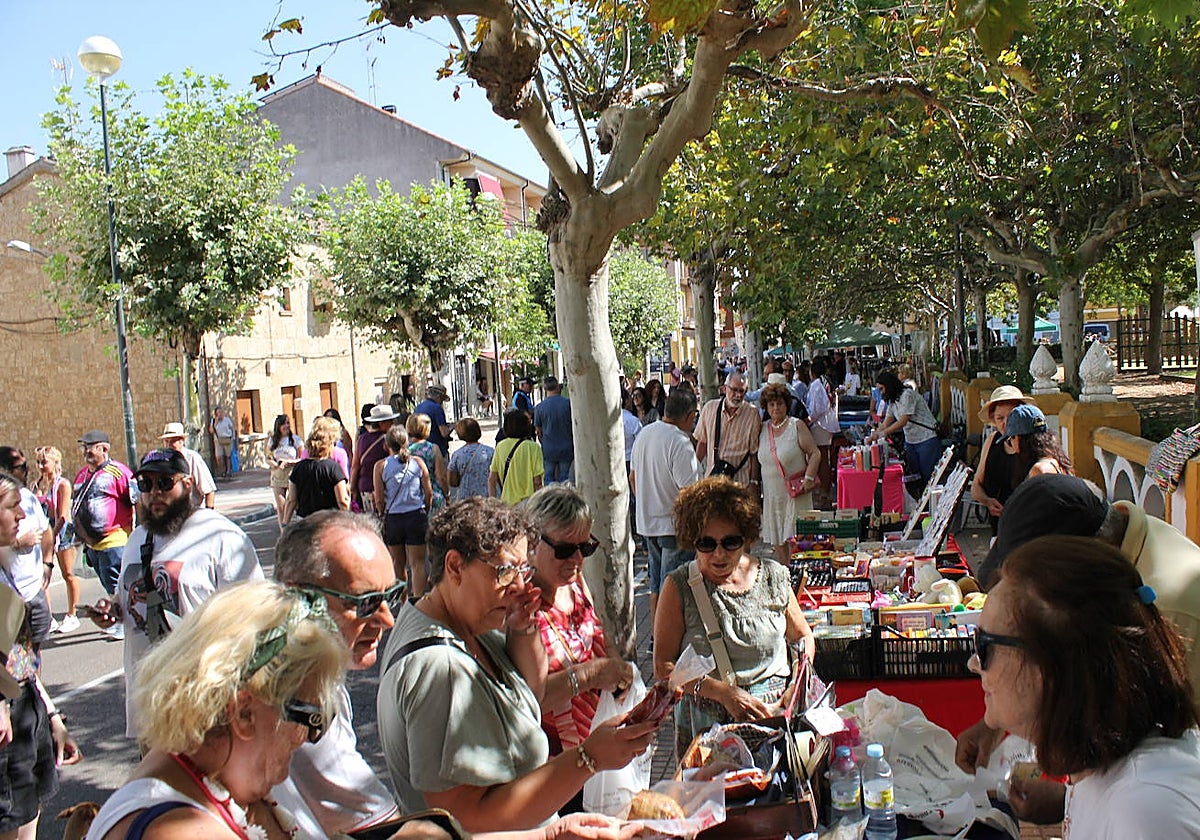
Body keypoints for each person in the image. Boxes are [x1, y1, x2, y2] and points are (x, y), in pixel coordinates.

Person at [376, 498, 659, 833]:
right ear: (454, 567)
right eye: (506, 571)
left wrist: (523, 626)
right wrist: (589, 758)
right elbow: (464, 818)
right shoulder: (443, 668)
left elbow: (529, 691)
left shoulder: (454, 623)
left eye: (524, 571)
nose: (522, 587)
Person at [963, 535, 1200, 837]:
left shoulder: (1144, 811)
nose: (973, 663)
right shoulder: (1107, 768)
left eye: (984, 646)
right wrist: (1065, 804)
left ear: (1050, 668)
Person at [86, 581, 346, 840]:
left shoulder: (192, 766)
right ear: (244, 713)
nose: (308, 738)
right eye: (310, 718)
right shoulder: (179, 829)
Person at [86, 448, 262, 734]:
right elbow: (125, 595)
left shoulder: (222, 537)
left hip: (206, 710)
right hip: (151, 708)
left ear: (188, 485)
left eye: (165, 483)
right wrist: (113, 609)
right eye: (145, 485)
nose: (154, 492)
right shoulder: (138, 539)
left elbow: (255, 618)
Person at [654, 477, 815, 756]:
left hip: (774, 720)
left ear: (747, 539)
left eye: (730, 542)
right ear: (693, 540)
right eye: (706, 543)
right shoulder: (678, 587)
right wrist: (722, 693)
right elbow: (663, 667)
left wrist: (797, 687)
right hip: (708, 732)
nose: (719, 553)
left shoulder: (774, 576)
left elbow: (803, 636)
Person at [271, 511, 403, 837]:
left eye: (392, 595)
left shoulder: (297, 664)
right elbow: (381, 829)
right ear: (298, 596)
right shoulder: (300, 690)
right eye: (366, 602)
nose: (388, 621)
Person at [523, 487, 636, 773]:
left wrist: (617, 669)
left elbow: (597, 630)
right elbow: (527, 699)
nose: (576, 559)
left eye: (585, 548)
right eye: (564, 550)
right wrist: (591, 676)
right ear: (532, 543)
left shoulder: (573, 581)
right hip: (554, 766)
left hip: (598, 750)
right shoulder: (520, 607)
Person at [0, 471, 82, 839]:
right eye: (11, 507)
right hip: (6, 726)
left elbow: (19, 657)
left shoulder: (5, 573)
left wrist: (51, 715)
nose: (22, 515)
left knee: (28, 812)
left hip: (25, 711)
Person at [630, 389, 703, 625]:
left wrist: (645, 501)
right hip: (673, 527)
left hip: (648, 523)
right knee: (672, 587)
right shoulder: (679, 442)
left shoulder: (645, 433)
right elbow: (690, 492)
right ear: (690, 415)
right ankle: (666, 639)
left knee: (656, 584)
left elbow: (633, 477)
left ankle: (655, 635)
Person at [756, 382, 821, 563]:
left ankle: (800, 577)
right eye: (771, 404)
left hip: (796, 494)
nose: (776, 408)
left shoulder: (796, 426)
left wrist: (809, 478)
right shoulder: (761, 430)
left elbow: (815, 453)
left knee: (798, 541)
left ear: (787, 405)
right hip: (772, 496)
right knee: (778, 540)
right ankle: (785, 577)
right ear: (766, 407)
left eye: (780, 404)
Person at [72, 430, 135, 605]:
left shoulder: (118, 472)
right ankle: (121, 615)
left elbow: (136, 501)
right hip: (92, 545)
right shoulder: (82, 474)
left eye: (90, 447)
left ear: (104, 449)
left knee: (117, 585)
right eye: (84, 447)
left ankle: (125, 620)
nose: (86, 452)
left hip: (113, 542)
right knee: (108, 586)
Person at [0, 447, 55, 646]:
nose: (21, 514)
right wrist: (17, 543)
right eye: (12, 506)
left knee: (33, 652)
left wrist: (47, 564)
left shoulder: (28, 497)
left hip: (33, 592)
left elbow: (46, 530)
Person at [374, 425, 433, 594]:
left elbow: (379, 499)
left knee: (398, 564)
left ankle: (403, 601)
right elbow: (428, 492)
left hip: (394, 518)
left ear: (387, 445)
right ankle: (418, 600)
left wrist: (381, 512)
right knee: (418, 564)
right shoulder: (417, 463)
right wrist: (426, 508)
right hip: (416, 515)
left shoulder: (381, 466)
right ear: (406, 442)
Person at [969, 385, 1034, 534]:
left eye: (1011, 417)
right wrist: (987, 501)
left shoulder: (1033, 445)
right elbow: (976, 486)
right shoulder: (992, 441)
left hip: (1026, 529)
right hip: (999, 527)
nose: (1006, 423)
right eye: (1000, 418)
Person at [32, 445, 81, 633]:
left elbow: (62, 514)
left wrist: (52, 537)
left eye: (44, 462)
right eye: (38, 462)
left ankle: (72, 614)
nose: (41, 466)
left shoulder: (62, 484)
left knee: (68, 573)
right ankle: (49, 617)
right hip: (44, 532)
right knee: (43, 576)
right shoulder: (38, 485)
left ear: (55, 462)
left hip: (61, 532)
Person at [871, 369, 942, 484]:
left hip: (926, 439)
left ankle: (930, 501)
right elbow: (886, 423)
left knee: (929, 478)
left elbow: (903, 420)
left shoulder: (907, 395)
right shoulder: (893, 402)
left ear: (889, 386)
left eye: (882, 389)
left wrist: (883, 433)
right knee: (915, 476)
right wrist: (874, 434)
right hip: (911, 441)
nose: (881, 393)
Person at [695, 372, 762, 488]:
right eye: (734, 390)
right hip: (713, 483)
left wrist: (753, 482)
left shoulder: (752, 414)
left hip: (740, 485)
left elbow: (754, 453)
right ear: (725, 388)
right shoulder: (710, 409)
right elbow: (702, 443)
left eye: (742, 391)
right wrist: (694, 474)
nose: (738, 395)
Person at [284, 419, 350, 525]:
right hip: (329, 521)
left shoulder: (298, 467)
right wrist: (348, 522)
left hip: (305, 521)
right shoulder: (333, 468)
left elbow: (291, 500)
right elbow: (343, 500)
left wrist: (285, 524)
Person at [999, 404, 1072, 488]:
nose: (1011, 444)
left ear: (1019, 439)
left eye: (1010, 439)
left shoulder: (1038, 471)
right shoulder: (1058, 460)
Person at [349, 405, 397, 515]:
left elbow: (355, 466)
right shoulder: (388, 440)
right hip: (383, 487)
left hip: (365, 487)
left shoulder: (362, 439)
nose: (393, 423)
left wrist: (353, 488)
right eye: (390, 421)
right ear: (382, 423)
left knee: (371, 522)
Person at [490, 410, 544, 505]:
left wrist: (493, 502)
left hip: (507, 503)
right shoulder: (533, 447)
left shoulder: (500, 447)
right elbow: (537, 481)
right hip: (529, 502)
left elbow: (492, 479)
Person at [158, 422, 216, 510]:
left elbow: (209, 490)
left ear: (182, 441)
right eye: (166, 441)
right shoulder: (162, 460)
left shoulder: (193, 458)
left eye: (173, 441)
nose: (168, 445)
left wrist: (209, 514)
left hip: (192, 513)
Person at [804, 359, 839, 496]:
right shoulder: (824, 383)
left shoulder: (817, 385)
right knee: (823, 456)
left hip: (819, 424)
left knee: (822, 457)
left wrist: (809, 419)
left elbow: (818, 407)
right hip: (823, 424)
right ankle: (825, 488)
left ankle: (825, 489)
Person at [266, 414, 304, 528]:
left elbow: (302, 458)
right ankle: (284, 533)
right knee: (281, 506)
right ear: (278, 426)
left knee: (294, 503)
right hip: (278, 475)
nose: (286, 426)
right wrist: (275, 464)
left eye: (288, 423)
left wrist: (289, 462)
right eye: (284, 424)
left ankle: (298, 529)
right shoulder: (273, 441)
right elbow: (268, 458)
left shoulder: (295, 439)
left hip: (292, 473)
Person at [534, 377, 574, 484]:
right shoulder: (568, 404)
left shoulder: (539, 407)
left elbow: (538, 431)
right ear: (558, 387)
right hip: (566, 447)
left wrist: (543, 441)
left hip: (548, 448)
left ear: (544, 389)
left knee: (548, 476)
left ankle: (550, 498)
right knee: (565, 477)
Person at [407, 414, 448, 513]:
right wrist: (447, 494)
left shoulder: (405, 450)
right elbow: (441, 477)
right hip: (433, 496)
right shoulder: (433, 448)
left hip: (411, 497)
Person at [448, 418, 494, 501]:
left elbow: (452, 482)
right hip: (487, 497)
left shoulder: (457, 455)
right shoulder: (490, 452)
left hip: (466, 499)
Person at [415, 385, 454, 459]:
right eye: (442, 400)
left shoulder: (418, 407)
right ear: (439, 397)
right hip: (437, 450)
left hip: (421, 450)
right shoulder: (437, 408)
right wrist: (452, 426)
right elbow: (444, 433)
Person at [208, 406, 236, 478]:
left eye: (221, 412)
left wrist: (233, 437)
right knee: (219, 457)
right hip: (218, 440)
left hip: (227, 439)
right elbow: (211, 431)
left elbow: (232, 428)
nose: (220, 414)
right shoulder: (213, 421)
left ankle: (228, 471)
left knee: (228, 456)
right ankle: (222, 470)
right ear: (216, 414)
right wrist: (216, 422)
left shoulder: (227, 420)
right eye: (218, 413)